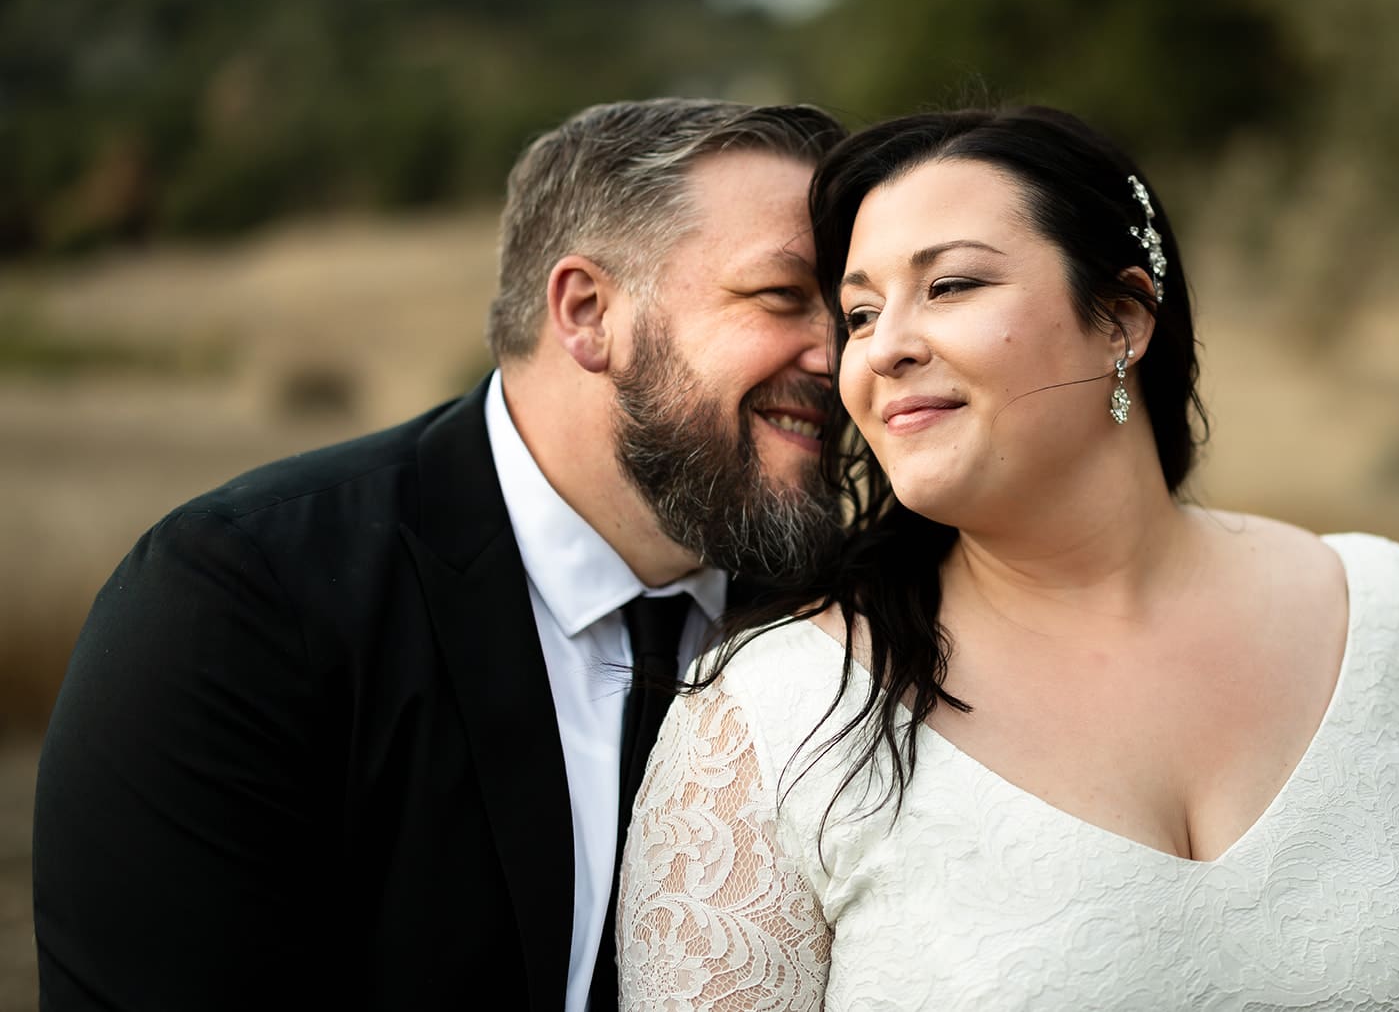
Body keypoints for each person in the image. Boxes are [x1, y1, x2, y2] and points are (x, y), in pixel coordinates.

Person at [616, 107, 1399, 1010]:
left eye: (950, 286)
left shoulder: (1383, 610)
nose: (882, 348)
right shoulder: (770, 716)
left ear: (1122, 320)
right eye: (859, 313)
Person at [33, 97, 846, 1012]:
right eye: (784, 296)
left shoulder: (849, 622)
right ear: (587, 312)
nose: (843, 357)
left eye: (854, 311)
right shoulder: (242, 606)